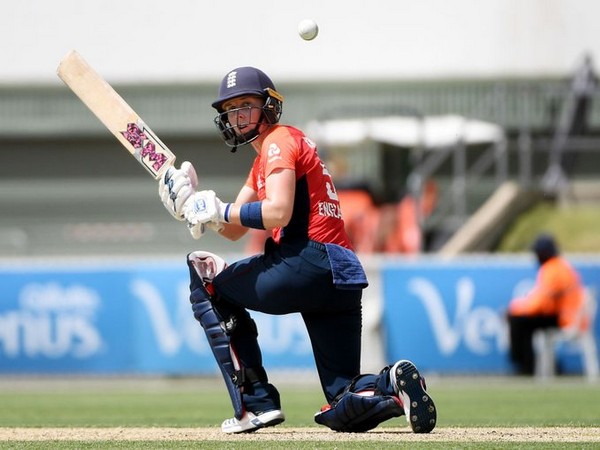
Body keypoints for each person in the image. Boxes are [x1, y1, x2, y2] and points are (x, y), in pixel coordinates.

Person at [157, 66, 436, 434]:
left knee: (205, 280)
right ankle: (391, 384)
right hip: (342, 274)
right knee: (341, 401)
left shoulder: (279, 141)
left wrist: (216, 209)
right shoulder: (268, 157)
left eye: (247, 104)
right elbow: (233, 229)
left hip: (307, 260)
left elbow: (277, 212)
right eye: (231, 108)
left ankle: (256, 404)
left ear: (269, 106)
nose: (238, 115)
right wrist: (193, 208)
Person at [507, 233, 586, 375]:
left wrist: (517, 308)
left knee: (517, 321)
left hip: (564, 318)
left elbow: (540, 303)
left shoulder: (553, 269)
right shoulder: (560, 266)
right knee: (521, 321)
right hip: (565, 315)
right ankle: (542, 365)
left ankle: (526, 367)